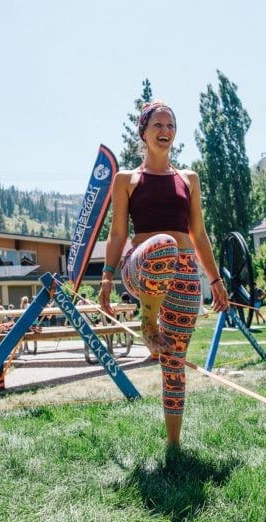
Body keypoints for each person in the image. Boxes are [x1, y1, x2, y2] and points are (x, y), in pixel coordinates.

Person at [98, 100, 229, 447]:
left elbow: (199, 235)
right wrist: (108, 277)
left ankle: (174, 446)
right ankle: (147, 321)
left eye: (170, 125)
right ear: (142, 132)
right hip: (141, 268)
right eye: (157, 125)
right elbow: (117, 234)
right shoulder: (126, 179)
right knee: (163, 245)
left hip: (185, 275)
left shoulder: (189, 179)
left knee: (174, 362)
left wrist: (215, 279)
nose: (165, 131)